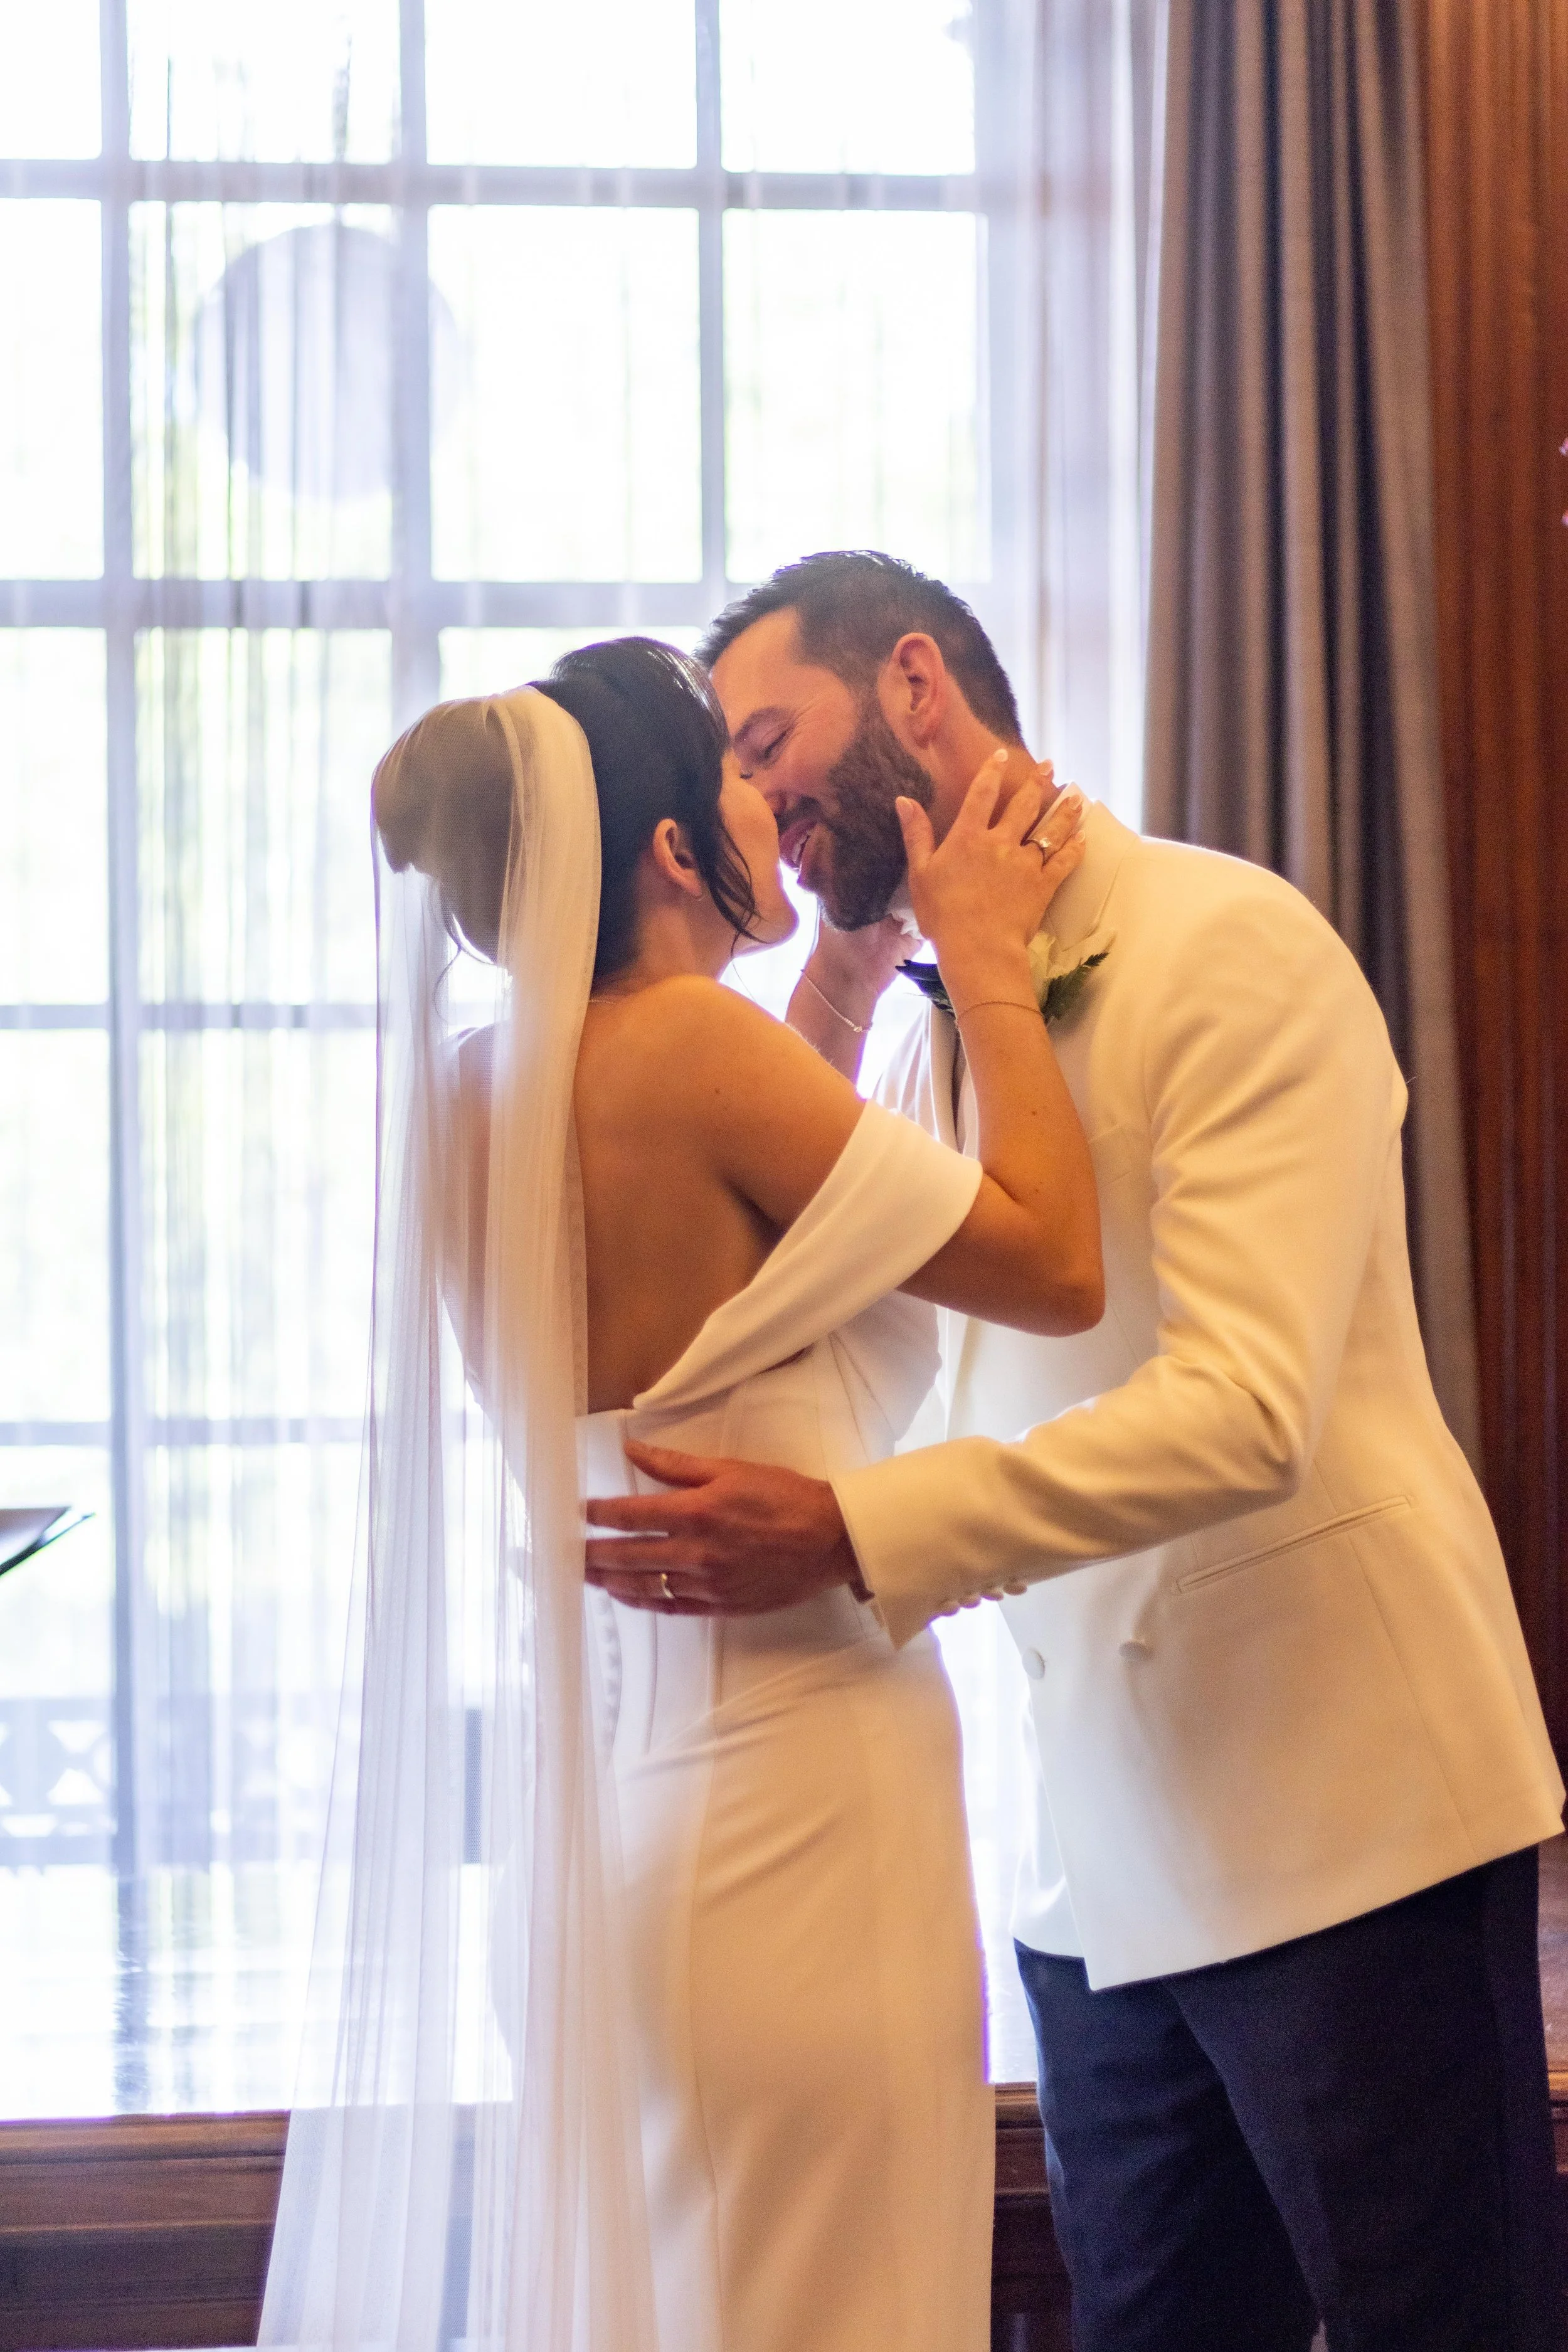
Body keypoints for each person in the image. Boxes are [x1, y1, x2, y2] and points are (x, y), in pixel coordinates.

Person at [585, 555, 1567, 2352]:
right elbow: (871, 1352)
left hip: (1342, 1820)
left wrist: (854, 1533)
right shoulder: (923, 1041)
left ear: (912, 685)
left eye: (771, 740)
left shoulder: (1230, 941)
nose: (758, 802)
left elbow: (1243, 1402)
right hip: (1081, 1876)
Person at [260, 636, 1101, 2352]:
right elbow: (1053, 1257)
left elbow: (746, 1256)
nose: (771, 805)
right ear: (661, 848)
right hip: (792, 1807)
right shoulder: (695, 1052)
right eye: (736, 772)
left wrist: (853, 973)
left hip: (604, 1847)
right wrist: (991, 967)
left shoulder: (476, 1089)